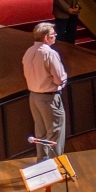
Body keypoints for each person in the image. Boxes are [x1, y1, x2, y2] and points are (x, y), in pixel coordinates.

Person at [22, 23, 67, 159]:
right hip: (49, 99)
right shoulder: (50, 53)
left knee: (40, 132)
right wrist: (63, 80)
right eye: (53, 35)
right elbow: (59, 78)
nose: (55, 37)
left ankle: (42, 163)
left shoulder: (29, 51)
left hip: (34, 97)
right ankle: (57, 166)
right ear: (46, 38)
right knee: (55, 133)